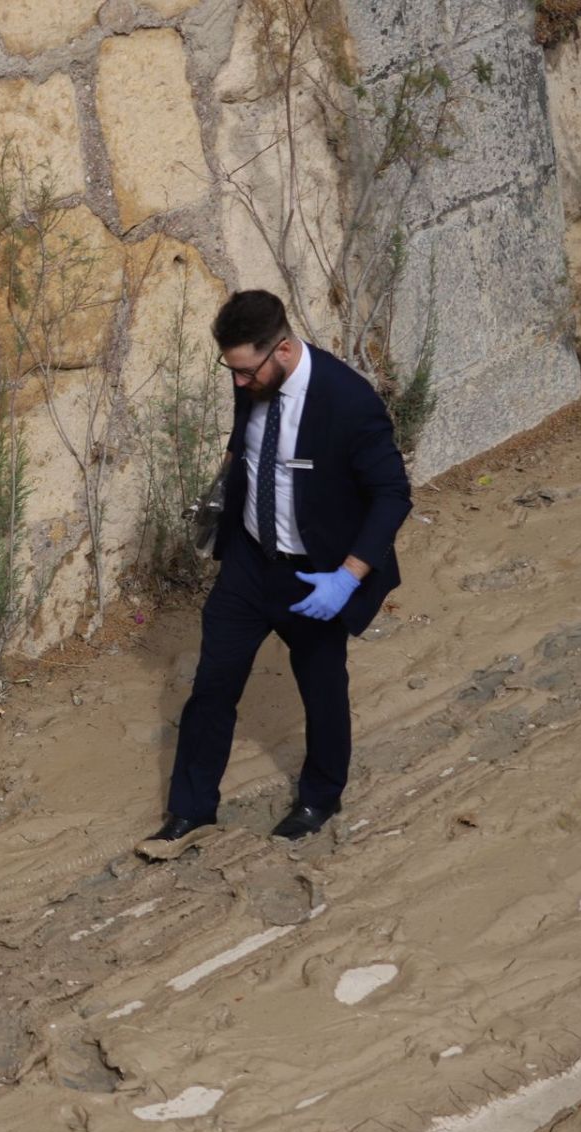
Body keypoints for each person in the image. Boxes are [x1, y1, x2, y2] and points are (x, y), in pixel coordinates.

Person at [138, 290, 412, 856]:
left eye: (245, 371)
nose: (238, 384)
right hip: (247, 564)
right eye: (230, 370)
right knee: (211, 687)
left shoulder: (348, 401)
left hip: (314, 574)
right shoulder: (254, 379)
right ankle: (189, 812)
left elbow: (391, 494)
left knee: (322, 686)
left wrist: (349, 575)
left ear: (282, 349)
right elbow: (247, 446)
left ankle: (320, 796)